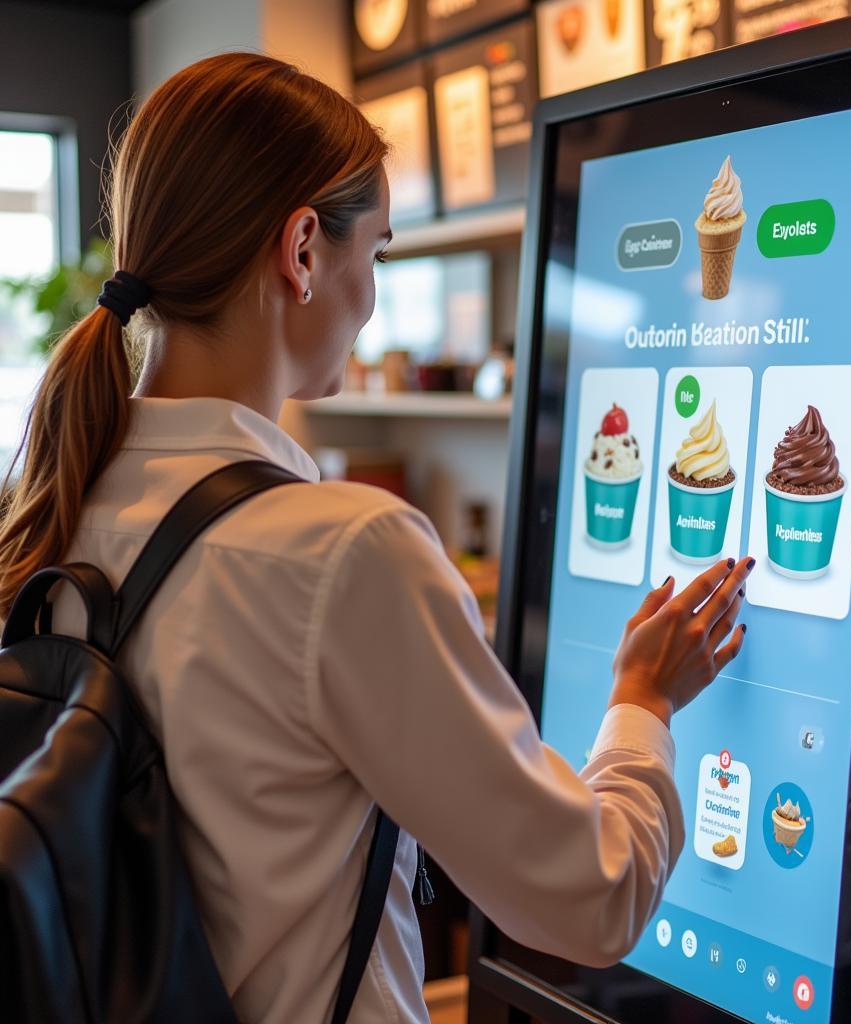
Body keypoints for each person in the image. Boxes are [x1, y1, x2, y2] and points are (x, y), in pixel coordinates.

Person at [0, 54, 753, 1024]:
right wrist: (642, 700)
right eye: (378, 253)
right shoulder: (341, 550)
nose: (371, 297)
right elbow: (590, 898)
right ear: (303, 250)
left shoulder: (61, 500)